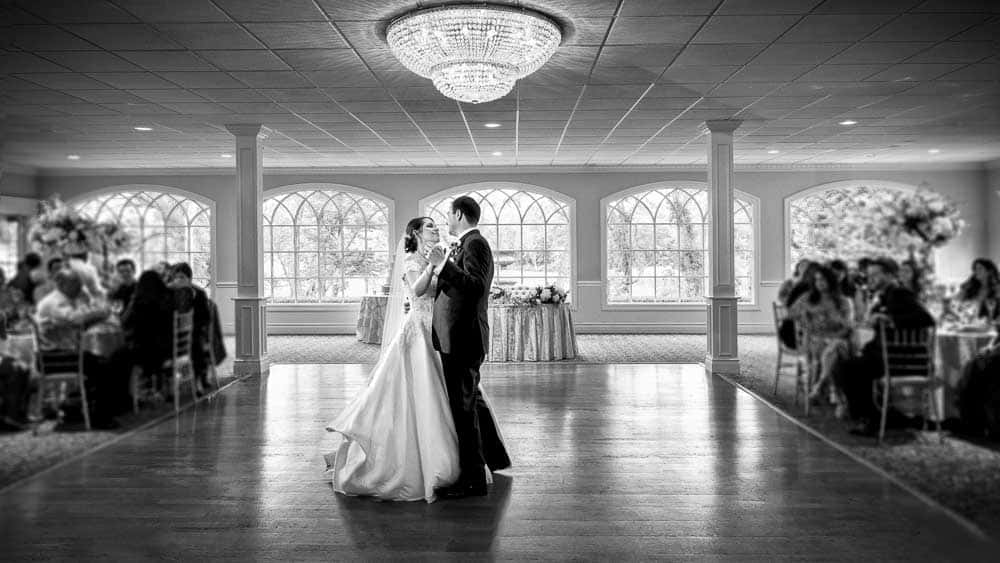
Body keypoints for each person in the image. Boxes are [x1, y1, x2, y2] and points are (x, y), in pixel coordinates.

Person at [326, 210, 510, 503]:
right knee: (423, 395)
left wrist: (443, 263)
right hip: (419, 333)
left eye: (437, 225)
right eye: (429, 227)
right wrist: (434, 266)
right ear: (415, 234)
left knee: (457, 397)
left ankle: (468, 462)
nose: (436, 229)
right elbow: (416, 290)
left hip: (442, 333)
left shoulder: (443, 253)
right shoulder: (413, 261)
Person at [429, 196, 511, 498]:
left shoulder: (476, 244)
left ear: (459, 214)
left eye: (448, 214)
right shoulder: (465, 244)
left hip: (464, 338)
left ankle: (473, 480)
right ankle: (495, 459)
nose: (446, 220)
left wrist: (444, 265)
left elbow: (476, 286)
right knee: (472, 400)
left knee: (463, 409)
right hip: (456, 337)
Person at [830, 257, 935, 435]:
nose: (870, 278)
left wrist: (889, 320)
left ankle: (874, 419)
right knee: (843, 365)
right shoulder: (886, 295)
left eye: (875, 275)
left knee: (847, 369)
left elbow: (926, 319)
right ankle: (879, 416)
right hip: (886, 356)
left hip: (901, 360)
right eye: (868, 275)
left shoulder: (899, 293)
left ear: (889, 275)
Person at [789, 265, 853, 403]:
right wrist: (804, 318)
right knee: (829, 349)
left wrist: (834, 319)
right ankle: (833, 391)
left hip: (837, 338)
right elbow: (792, 313)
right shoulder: (808, 298)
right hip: (814, 338)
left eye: (823, 280)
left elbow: (848, 326)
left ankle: (819, 387)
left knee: (835, 347)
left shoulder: (842, 301)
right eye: (817, 280)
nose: (820, 283)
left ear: (831, 281)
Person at [121, 270, 175, 394]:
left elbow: (123, 322)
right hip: (169, 348)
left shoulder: (139, 304)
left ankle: (128, 393)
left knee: (119, 355)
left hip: (147, 352)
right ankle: (156, 383)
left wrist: (131, 302)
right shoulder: (168, 299)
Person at [167, 263, 211, 394]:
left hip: (194, 331)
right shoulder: (169, 292)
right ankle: (165, 385)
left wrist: (190, 325)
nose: (179, 280)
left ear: (189, 278)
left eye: (182, 277)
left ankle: (197, 380)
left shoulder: (199, 293)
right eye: (176, 277)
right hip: (172, 331)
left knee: (195, 344)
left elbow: (205, 318)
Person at [958, 258, 1000, 323]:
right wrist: (964, 288)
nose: (976, 271)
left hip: (991, 325)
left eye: (980, 268)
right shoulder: (972, 287)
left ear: (989, 271)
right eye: (975, 269)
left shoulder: (997, 287)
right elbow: (957, 302)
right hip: (971, 324)